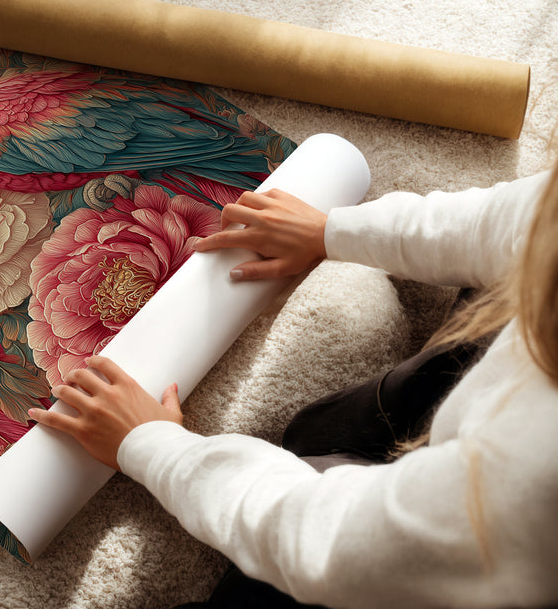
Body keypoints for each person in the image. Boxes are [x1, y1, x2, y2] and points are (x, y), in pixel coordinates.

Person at [28, 167, 558, 608]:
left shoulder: (532, 478)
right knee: (322, 432)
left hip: (473, 558)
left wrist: (152, 446)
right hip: (488, 444)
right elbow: (516, 220)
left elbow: (330, 541)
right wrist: (330, 231)